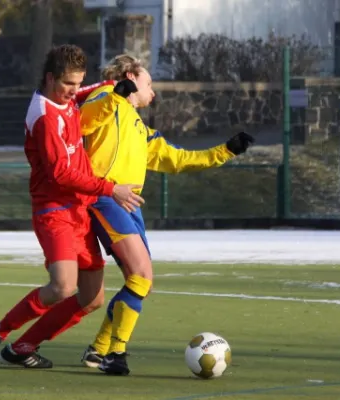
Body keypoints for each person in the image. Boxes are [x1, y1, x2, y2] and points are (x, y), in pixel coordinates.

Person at [0, 45, 144, 368]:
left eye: (78, 83)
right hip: (54, 211)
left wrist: (112, 88)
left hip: (79, 211)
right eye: (68, 84)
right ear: (50, 78)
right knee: (63, 286)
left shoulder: (64, 97)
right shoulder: (45, 117)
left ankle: (23, 347)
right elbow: (61, 174)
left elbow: (84, 94)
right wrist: (110, 189)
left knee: (92, 298)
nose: (73, 92)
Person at [77, 55, 255, 375]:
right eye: (149, 84)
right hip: (104, 199)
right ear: (130, 76)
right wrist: (117, 94)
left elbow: (179, 159)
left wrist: (226, 151)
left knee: (142, 281)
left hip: (130, 208)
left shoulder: (141, 129)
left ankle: (99, 349)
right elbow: (82, 121)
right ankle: (115, 353)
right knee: (141, 276)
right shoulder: (104, 98)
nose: (153, 92)